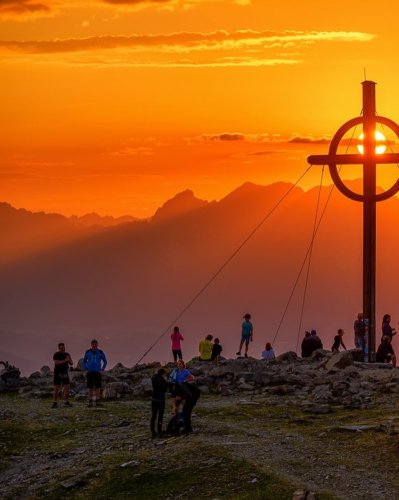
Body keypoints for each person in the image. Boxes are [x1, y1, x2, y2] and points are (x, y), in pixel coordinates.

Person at [169, 360, 199, 434]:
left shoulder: (185, 371)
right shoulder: (175, 371)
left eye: (180, 364)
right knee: (176, 406)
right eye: (178, 364)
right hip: (178, 388)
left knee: (185, 408)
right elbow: (171, 378)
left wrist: (186, 380)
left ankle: (186, 426)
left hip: (184, 389)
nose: (179, 365)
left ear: (183, 365)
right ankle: (177, 420)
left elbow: (193, 378)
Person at [83, 339, 107, 407]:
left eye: (95, 344)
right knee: (90, 387)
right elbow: (84, 361)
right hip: (89, 372)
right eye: (93, 344)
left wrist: (102, 369)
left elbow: (105, 361)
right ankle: (90, 401)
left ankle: (98, 401)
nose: (94, 345)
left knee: (98, 387)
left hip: (97, 372)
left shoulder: (100, 352)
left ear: (97, 344)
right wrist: (86, 368)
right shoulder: (87, 352)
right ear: (91, 344)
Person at [52, 342, 73, 408]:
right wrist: (65, 360)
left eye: (63, 347)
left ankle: (66, 401)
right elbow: (56, 362)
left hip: (65, 373)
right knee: (56, 388)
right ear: (59, 348)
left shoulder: (67, 354)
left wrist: (68, 360)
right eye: (61, 348)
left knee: (67, 387)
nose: (63, 349)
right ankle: (55, 403)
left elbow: (71, 363)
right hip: (57, 373)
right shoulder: (56, 354)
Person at [150, 368, 168, 438]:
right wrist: (166, 381)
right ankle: (159, 431)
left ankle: (153, 431)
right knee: (160, 416)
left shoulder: (154, 378)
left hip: (154, 399)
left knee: (153, 415)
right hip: (161, 400)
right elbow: (165, 389)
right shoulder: (163, 380)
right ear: (163, 374)